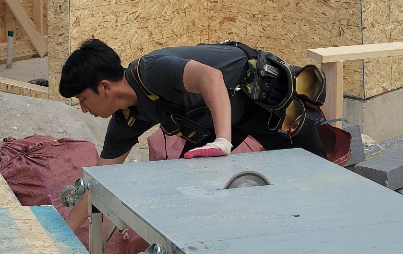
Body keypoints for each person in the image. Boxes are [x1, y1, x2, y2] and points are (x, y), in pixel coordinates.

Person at [59, 38, 327, 166]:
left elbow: (211, 77)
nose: (84, 109)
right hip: (221, 122)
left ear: (105, 87)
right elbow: (104, 177)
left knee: (316, 174)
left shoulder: (151, 71)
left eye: (83, 99)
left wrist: (222, 141)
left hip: (266, 102)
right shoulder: (126, 118)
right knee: (190, 181)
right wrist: (63, 235)